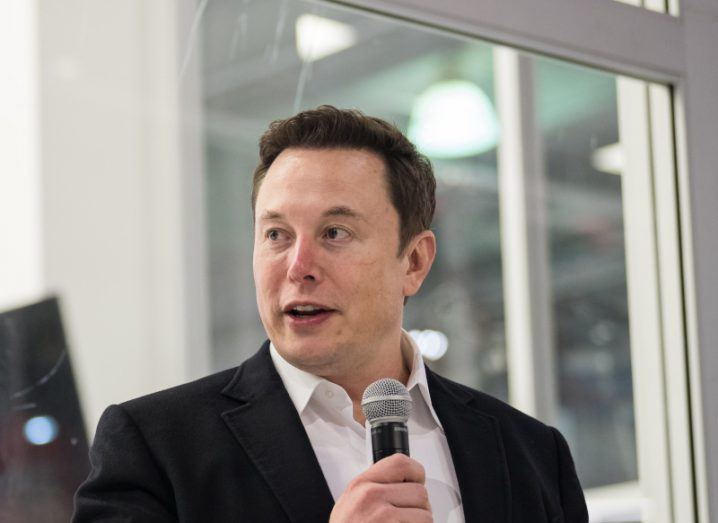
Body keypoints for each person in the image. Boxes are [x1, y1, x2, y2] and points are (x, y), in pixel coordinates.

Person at [73, 106, 588, 522]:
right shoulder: (157, 446)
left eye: (334, 233)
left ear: (413, 261)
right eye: (276, 234)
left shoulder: (532, 454)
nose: (299, 266)